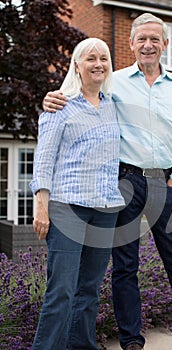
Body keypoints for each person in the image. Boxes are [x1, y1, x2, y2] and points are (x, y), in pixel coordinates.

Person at [42, 13, 172, 350]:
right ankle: (131, 341)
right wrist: (52, 98)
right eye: (141, 38)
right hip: (124, 183)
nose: (148, 44)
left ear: (165, 44)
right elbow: (83, 95)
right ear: (131, 44)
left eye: (155, 39)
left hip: (163, 184)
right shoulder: (116, 83)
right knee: (125, 267)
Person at [30, 37, 124, 350]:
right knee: (62, 290)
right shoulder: (60, 105)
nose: (98, 64)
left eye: (104, 58)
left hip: (106, 207)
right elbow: (43, 159)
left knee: (90, 290)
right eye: (91, 59)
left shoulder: (114, 105)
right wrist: (40, 205)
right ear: (77, 66)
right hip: (67, 207)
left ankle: (82, 345)